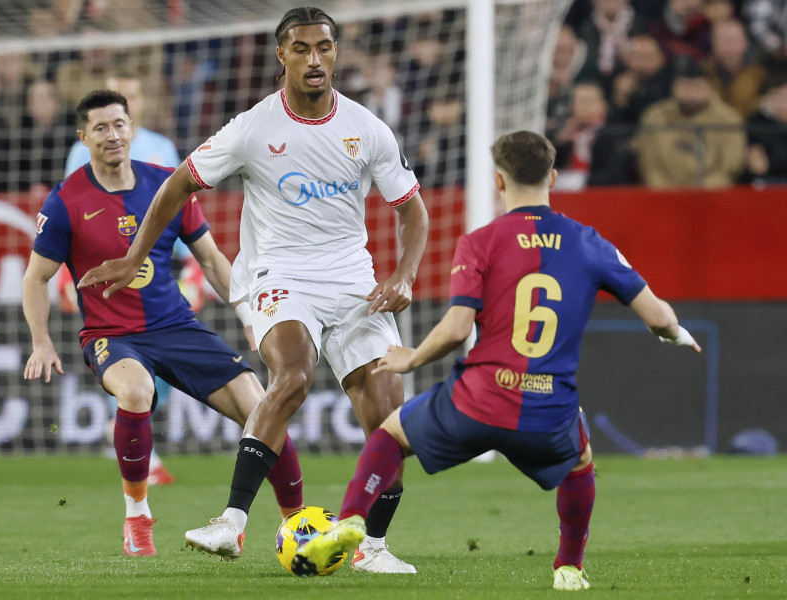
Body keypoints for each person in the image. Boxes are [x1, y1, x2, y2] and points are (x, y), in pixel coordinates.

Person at [77, 7, 429, 573]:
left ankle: (373, 547)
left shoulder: (367, 127)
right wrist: (135, 256)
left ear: (335, 53)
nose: (314, 59)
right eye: (301, 48)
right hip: (279, 273)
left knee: (388, 418)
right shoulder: (253, 128)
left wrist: (405, 274)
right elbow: (176, 185)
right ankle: (231, 523)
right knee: (292, 374)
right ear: (282, 56)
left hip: (351, 279)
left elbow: (413, 212)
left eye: (324, 47)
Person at [291, 130, 702, 590]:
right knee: (580, 461)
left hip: (479, 400)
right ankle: (568, 566)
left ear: (499, 182)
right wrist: (678, 335)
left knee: (390, 436)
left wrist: (412, 359)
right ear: (552, 176)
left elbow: (457, 328)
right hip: (548, 409)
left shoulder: (480, 241)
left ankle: (351, 519)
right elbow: (659, 317)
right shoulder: (589, 243)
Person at [22, 89, 304, 557]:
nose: (112, 135)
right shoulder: (65, 201)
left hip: (176, 327)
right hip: (111, 335)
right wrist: (40, 341)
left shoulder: (166, 185)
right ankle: (137, 517)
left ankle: (298, 523)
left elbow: (212, 260)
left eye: (119, 124)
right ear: (82, 137)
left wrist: (252, 317)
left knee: (264, 407)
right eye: (100, 128)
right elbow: (35, 278)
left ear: (131, 128)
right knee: (136, 392)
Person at [63, 72, 183, 486]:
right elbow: (68, 214)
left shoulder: (162, 148)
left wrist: (193, 270)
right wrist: (65, 275)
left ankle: (132, 434)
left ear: (137, 107)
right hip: (104, 279)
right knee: (124, 362)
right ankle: (137, 447)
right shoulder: (82, 153)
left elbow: (177, 210)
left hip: (158, 275)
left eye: (131, 97)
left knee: (163, 367)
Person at [636, 54, 746, 188]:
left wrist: (701, 193)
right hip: (663, 198)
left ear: (709, 87)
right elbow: (649, 165)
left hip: (713, 199)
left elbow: (730, 167)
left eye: (697, 84)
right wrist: (668, 193)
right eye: (686, 84)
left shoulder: (728, 118)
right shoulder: (654, 116)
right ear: (674, 87)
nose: (691, 90)